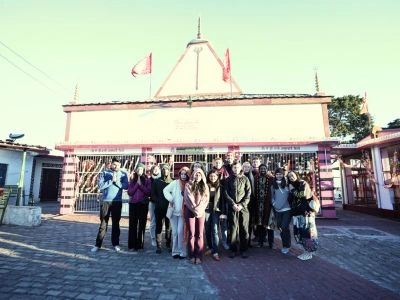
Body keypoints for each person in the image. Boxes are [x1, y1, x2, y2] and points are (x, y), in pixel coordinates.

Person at [91, 157, 129, 252]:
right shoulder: (105, 173)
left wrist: (117, 182)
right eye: (114, 164)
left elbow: (126, 186)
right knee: (103, 223)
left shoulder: (123, 174)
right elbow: (100, 186)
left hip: (117, 202)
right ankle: (98, 244)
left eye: (118, 165)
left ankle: (116, 244)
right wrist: (111, 181)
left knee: (116, 224)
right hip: (105, 202)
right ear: (111, 164)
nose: (116, 166)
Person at [288, 171, 319, 260]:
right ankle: (306, 251)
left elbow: (303, 194)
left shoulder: (302, 183)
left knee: (308, 233)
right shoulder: (291, 186)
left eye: (292, 175)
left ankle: (309, 253)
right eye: (289, 176)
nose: (291, 177)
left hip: (306, 213)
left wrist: (293, 190)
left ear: (296, 175)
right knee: (300, 233)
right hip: (297, 214)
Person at [224, 161, 251, 258]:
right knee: (233, 229)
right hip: (232, 208)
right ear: (232, 169)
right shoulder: (228, 180)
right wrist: (233, 204)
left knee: (244, 228)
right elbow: (226, 194)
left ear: (241, 168)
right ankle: (233, 249)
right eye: (234, 167)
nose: (236, 169)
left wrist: (242, 205)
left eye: (237, 167)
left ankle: (244, 249)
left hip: (243, 208)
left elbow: (248, 194)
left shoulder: (245, 179)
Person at [163, 166, 190, 259]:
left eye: (185, 174)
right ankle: (175, 251)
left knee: (180, 232)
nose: (183, 176)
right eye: (181, 174)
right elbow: (165, 190)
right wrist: (171, 199)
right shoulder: (175, 183)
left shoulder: (189, 184)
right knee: (174, 232)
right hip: (173, 211)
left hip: (183, 212)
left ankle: (182, 251)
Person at [184, 168, 209, 264]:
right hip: (190, 211)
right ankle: (191, 255)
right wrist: (194, 208)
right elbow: (188, 198)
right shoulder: (188, 185)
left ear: (202, 176)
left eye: (199, 174)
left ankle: (198, 255)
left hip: (201, 212)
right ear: (193, 175)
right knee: (191, 234)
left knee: (199, 234)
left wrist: (199, 210)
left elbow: (205, 200)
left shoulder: (205, 186)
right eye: (196, 174)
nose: (197, 176)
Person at [127, 163, 151, 251]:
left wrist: (140, 185)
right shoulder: (132, 179)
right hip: (133, 204)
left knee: (141, 225)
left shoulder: (147, 180)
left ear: (143, 170)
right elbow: (130, 192)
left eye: (141, 169)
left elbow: (148, 192)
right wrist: (137, 184)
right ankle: (131, 244)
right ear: (136, 170)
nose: (139, 170)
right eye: (138, 169)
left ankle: (139, 244)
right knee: (132, 225)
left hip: (143, 205)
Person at [151, 164, 173, 254]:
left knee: (169, 227)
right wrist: (158, 201)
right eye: (163, 169)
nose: (165, 171)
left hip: (169, 208)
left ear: (169, 170)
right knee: (159, 227)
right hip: (159, 208)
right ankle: (159, 245)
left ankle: (168, 244)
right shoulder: (156, 181)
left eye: (167, 169)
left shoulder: (173, 182)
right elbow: (153, 194)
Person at [204, 169, 225, 261]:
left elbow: (223, 200)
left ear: (217, 177)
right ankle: (210, 247)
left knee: (215, 230)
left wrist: (223, 213)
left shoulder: (220, 186)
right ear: (208, 176)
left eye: (214, 176)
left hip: (216, 210)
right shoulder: (205, 186)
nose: (212, 178)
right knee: (207, 229)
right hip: (206, 209)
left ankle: (215, 251)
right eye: (211, 176)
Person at [253, 163, 274, 248]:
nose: (263, 170)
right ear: (259, 169)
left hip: (268, 204)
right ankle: (260, 242)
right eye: (261, 168)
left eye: (264, 168)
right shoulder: (256, 178)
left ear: (267, 169)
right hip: (258, 204)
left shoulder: (271, 178)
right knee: (260, 224)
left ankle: (271, 243)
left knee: (269, 224)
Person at [271, 168, 291, 254]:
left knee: (284, 227)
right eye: (277, 174)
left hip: (287, 210)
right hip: (277, 210)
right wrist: (275, 205)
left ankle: (286, 245)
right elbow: (272, 197)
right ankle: (285, 243)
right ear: (275, 175)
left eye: (280, 174)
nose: (279, 175)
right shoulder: (273, 185)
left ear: (283, 175)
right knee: (280, 228)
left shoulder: (287, 184)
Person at [242, 161, 255, 248]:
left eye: (248, 167)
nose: (246, 168)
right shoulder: (240, 176)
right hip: (242, 203)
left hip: (251, 203)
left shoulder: (253, 176)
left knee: (250, 223)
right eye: (244, 166)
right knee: (242, 223)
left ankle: (248, 240)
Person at [148, 164, 161, 247]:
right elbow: (149, 191)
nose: (155, 170)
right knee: (153, 221)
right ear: (152, 171)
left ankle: (159, 238)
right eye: (154, 169)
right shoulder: (149, 180)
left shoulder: (162, 179)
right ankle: (153, 238)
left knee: (160, 221)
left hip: (161, 203)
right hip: (152, 202)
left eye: (157, 169)